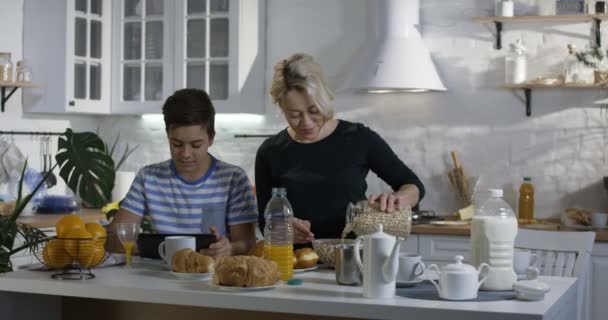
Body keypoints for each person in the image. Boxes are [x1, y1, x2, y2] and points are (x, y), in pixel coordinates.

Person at [255, 53, 425, 244]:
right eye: (294, 115)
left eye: (314, 110)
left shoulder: (358, 138)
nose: (306, 122)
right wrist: (282, 231)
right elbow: (264, 223)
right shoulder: (270, 152)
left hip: (355, 259)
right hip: (297, 263)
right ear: (282, 108)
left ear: (325, 100)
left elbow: (413, 186)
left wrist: (398, 199)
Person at [108, 89, 258, 257]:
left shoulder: (233, 179)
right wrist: (147, 248)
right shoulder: (148, 178)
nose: (186, 154)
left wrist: (229, 249)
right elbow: (114, 238)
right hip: (158, 277)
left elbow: (248, 244)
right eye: (177, 144)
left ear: (211, 138)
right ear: (167, 136)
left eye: (196, 145)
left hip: (211, 277)